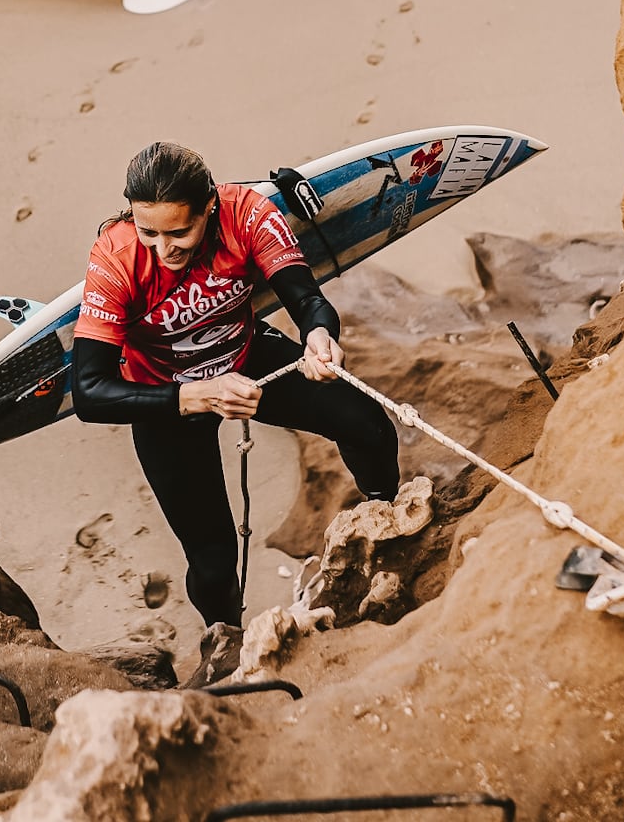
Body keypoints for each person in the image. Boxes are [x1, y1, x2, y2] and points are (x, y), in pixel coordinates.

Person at [71, 141, 400, 630]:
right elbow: (88, 393)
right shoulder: (116, 257)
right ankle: (224, 639)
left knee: (369, 425)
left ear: (209, 206)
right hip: (166, 399)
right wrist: (197, 395)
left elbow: (307, 299)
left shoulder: (246, 215)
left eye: (179, 232)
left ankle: (388, 521)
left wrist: (319, 337)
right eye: (149, 233)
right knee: (213, 560)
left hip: (249, 359)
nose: (164, 250)